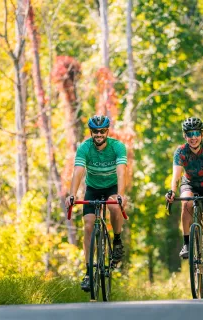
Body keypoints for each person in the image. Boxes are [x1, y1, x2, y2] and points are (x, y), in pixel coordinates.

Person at [65, 115, 128, 292]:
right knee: (88, 225)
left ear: (107, 131)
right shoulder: (84, 148)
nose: (99, 134)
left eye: (102, 131)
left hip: (112, 187)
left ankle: (116, 242)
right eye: (95, 131)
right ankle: (88, 272)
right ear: (91, 132)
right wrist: (72, 194)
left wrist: (121, 195)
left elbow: (121, 172)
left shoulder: (117, 147)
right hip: (92, 188)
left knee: (114, 206)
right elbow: (78, 171)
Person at [165, 117, 203, 285]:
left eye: (197, 133)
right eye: (190, 134)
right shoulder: (181, 151)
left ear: (202, 134)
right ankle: (186, 243)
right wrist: (172, 191)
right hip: (189, 184)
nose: (193, 137)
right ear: (185, 136)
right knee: (186, 202)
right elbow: (176, 174)